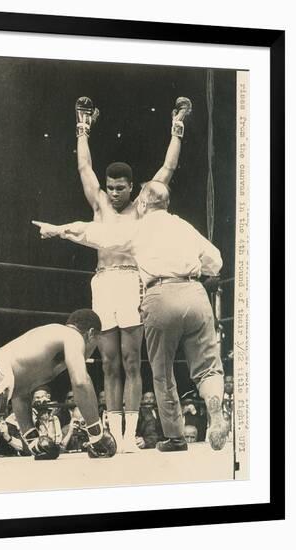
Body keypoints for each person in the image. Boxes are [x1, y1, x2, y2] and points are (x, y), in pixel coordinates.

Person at [32, 179, 227, 451]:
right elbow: (216, 260)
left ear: (144, 202)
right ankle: (215, 405)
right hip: (195, 293)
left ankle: (175, 437)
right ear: (166, 204)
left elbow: (94, 233)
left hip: (161, 294)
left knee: (162, 372)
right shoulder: (185, 226)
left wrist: (58, 230)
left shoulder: (138, 229)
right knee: (207, 367)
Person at [73, 96, 192, 452]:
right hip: (103, 283)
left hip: (130, 281)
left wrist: (178, 126)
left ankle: (128, 436)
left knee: (130, 360)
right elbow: (83, 167)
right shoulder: (99, 204)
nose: (113, 193)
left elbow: (167, 170)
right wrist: (82, 127)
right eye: (109, 187)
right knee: (108, 362)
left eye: (119, 188)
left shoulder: (142, 205)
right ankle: (112, 435)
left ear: (132, 187)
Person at [0, 309, 116, 459]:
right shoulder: (73, 337)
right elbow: (81, 382)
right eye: (96, 344)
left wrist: (33, 440)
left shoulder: (50, 340)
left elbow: (20, 393)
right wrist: (96, 433)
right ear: (91, 334)